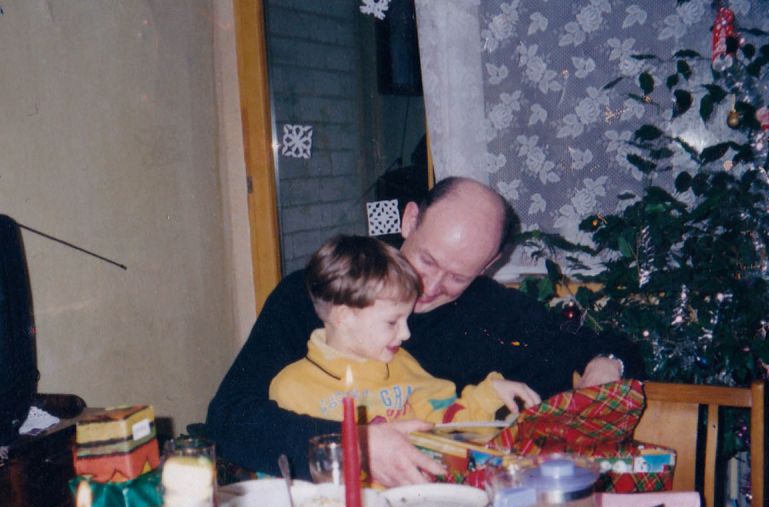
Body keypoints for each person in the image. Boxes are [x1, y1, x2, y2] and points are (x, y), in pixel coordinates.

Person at [207, 176, 643, 485]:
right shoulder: (324, 296)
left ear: (489, 265)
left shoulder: (494, 312)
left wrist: (607, 364)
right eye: (428, 260)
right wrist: (354, 446)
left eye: (458, 277)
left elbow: (606, 347)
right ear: (409, 220)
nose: (430, 288)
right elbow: (230, 418)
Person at [269, 235, 541, 427]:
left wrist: (489, 394)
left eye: (406, 319)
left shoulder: (402, 364)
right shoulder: (293, 388)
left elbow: (446, 425)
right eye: (392, 322)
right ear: (343, 316)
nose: (406, 334)